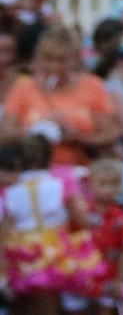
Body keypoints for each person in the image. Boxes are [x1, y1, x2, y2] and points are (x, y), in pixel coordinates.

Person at [2, 27, 121, 169]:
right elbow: (5, 134)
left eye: (61, 60)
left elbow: (111, 132)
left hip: (81, 171)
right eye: (48, 59)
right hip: (35, 173)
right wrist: (37, 129)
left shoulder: (92, 86)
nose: (54, 66)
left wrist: (77, 137)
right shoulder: (23, 87)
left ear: (75, 59)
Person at [2, 132, 89, 313]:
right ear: (49, 156)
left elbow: (4, 230)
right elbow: (81, 218)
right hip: (54, 249)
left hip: (20, 251)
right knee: (49, 304)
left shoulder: (9, 191)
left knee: (23, 305)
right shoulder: (60, 184)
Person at [83, 157, 123, 310]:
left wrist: (121, 280)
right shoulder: (82, 213)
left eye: (114, 184)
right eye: (103, 184)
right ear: (90, 184)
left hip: (109, 278)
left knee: (105, 310)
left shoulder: (121, 216)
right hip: (82, 277)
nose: (109, 189)